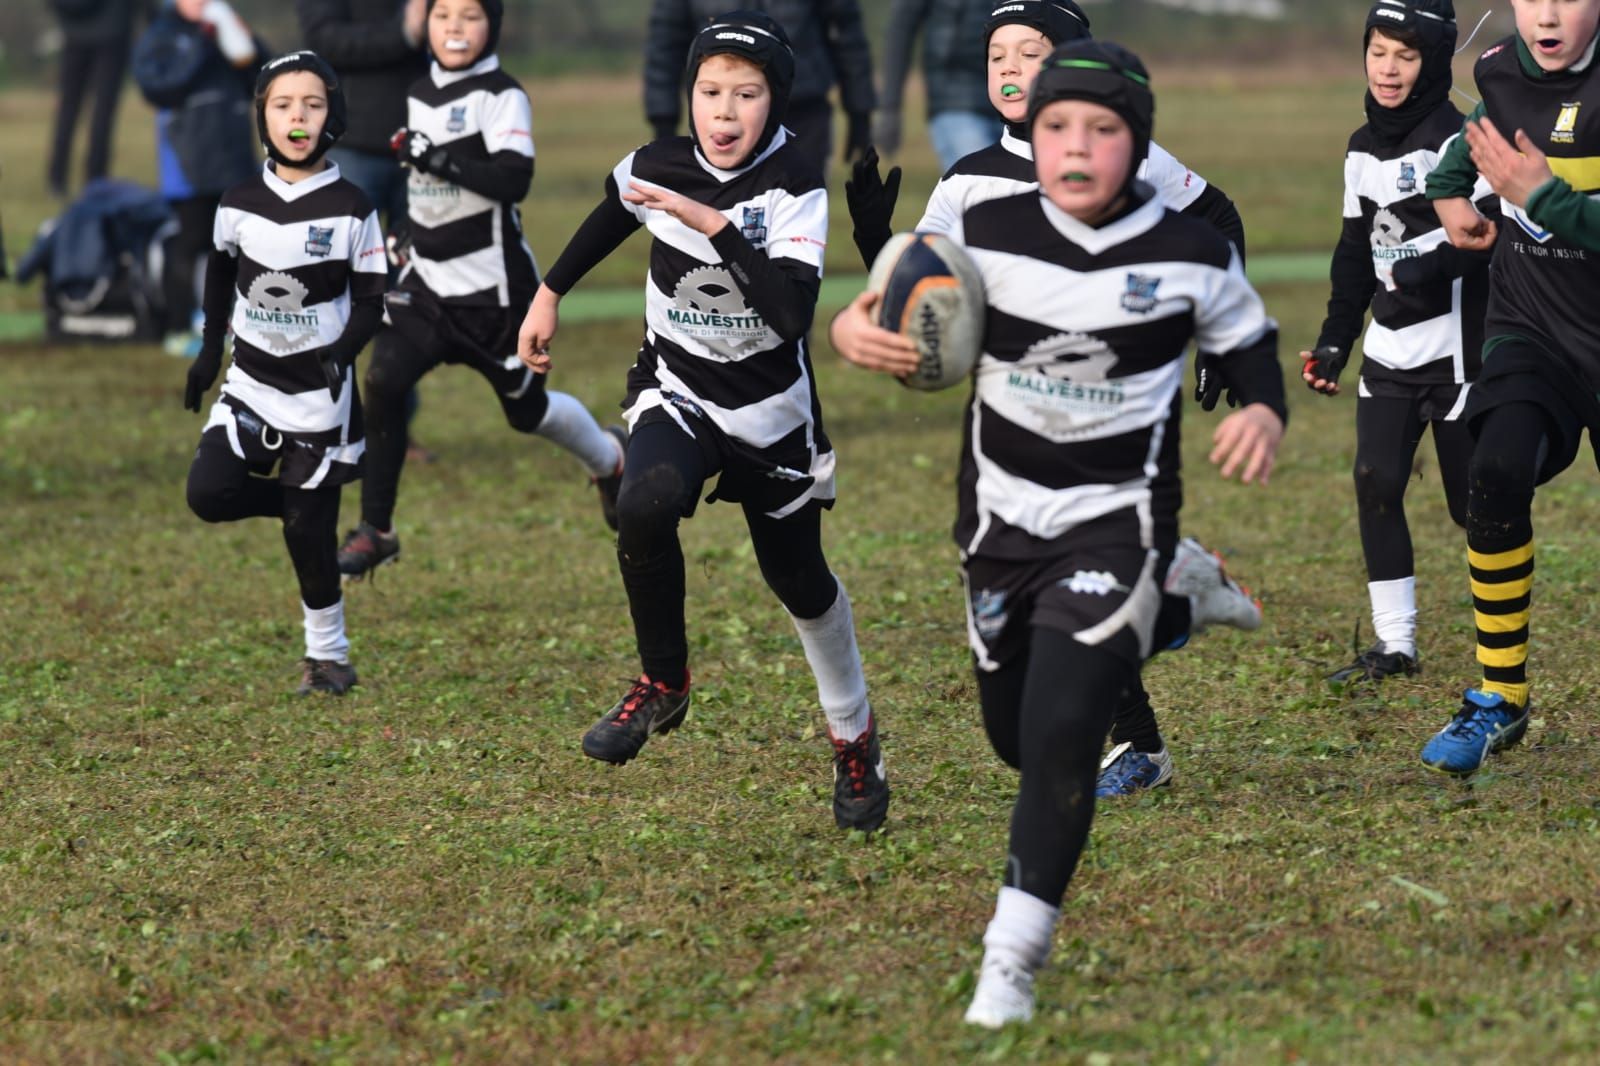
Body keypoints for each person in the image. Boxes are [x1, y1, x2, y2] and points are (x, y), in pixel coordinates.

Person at [831, 38, 1286, 1027]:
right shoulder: (984, 229)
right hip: (998, 527)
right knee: (1010, 733)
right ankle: (1178, 593)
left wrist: (1258, 410)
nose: (1076, 147)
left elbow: (1253, 348)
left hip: (1115, 524)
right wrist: (854, 333)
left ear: (1139, 145)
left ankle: (1010, 963)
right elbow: (878, 307)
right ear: (1029, 138)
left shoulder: (1189, 254)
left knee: (1060, 737)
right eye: (1055, 128)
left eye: (1102, 130)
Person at [846, 0, 1259, 801]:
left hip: (1109, 409)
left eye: (1029, 53)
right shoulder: (967, 179)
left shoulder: (1115, 156)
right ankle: (1171, 593)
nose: (1008, 68)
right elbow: (921, 291)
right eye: (997, 53)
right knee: (1038, 590)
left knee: (1076, 574)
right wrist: (874, 238)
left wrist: (1220, 342)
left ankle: (1137, 739)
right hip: (1013, 416)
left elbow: (1218, 216)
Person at [517, 11, 890, 833]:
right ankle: (665, 683)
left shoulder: (794, 181)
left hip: (769, 411)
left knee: (797, 580)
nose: (724, 111)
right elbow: (617, 206)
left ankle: (853, 736)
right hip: (677, 388)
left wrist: (713, 224)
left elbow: (791, 315)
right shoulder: (659, 161)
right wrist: (549, 292)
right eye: (709, 90)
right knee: (643, 501)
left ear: (775, 104)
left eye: (746, 94)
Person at [335, 0, 625, 578]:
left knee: (528, 413)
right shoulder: (418, 93)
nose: (455, 28)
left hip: (494, 294)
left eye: (470, 16)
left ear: (492, 23)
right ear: (427, 24)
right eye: (444, 16)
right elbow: (423, 190)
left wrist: (437, 158)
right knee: (383, 380)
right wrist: (405, 237)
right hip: (425, 288)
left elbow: (513, 181)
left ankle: (611, 459)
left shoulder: (502, 95)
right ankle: (377, 529)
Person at [1419, 0, 1600, 774]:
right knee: (1493, 472)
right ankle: (1501, 696)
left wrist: (1544, 199)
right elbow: (1461, 159)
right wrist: (1451, 199)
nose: (1548, 14)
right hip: (1533, 336)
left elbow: (1538, 195)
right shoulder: (1495, 72)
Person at [182, 51, 386, 695]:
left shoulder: (353, 207)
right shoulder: (238, 200)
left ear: (335, 116)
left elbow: (374, 301)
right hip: (249, 384)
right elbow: (220, 271)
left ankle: (328, 659)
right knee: (208, 494)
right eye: (281, 104)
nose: (297, 117)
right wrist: (209, 352)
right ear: (262, 117)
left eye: (312, 104)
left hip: (319, 402)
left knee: (309, 537)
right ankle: (299, 507)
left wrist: (340, 354)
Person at [1303, 0, 1495, 684]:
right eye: (1378, 51)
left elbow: (1488, 237)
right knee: (1375, 481)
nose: (1388, 68)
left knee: (1473, 508)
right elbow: (1355, 252)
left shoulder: (1459, 138)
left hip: (1457, 355)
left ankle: (1501, 652)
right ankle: (1396, 646)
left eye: (1405, 56)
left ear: (1434, 62)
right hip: (1388, 353)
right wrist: (1333, 341)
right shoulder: (1359, 146)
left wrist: (1430, 264)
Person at [296, 0, 433, 461]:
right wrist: (404, 33)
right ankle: (325, 425)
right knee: (335, 290)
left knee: (408, 293)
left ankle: (394, 428)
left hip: (425, 146)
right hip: (356, 144)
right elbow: (323, 39)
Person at [133, 0, 268, 358]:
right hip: (188, 158)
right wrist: (201, 44)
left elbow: (262, 78)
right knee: (190, 240)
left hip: (234, 154)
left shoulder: (223, 26)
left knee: (237, 242)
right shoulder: (163, 34)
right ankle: (178, 326)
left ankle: (236, 323)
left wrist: (246, 40)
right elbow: (158, 85)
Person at [642, 0, 877, 176]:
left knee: (800, 207)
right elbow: (666, 39)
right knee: (722, 211)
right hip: (722, 117)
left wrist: (859, 110)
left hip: (803, 113)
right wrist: (664, 120)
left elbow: (847, 32)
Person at [47, 0, 154, 198]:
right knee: (102, 112)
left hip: (75, 30)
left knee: (69, 110)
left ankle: (57, 178)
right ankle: (95, 179)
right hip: (113, 31)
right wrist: (153, 23)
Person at [877, 0, 1000, 170]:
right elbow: (901, 28)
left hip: (1021, 95)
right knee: (980, 181)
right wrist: (890, 108)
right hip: (956, 96)